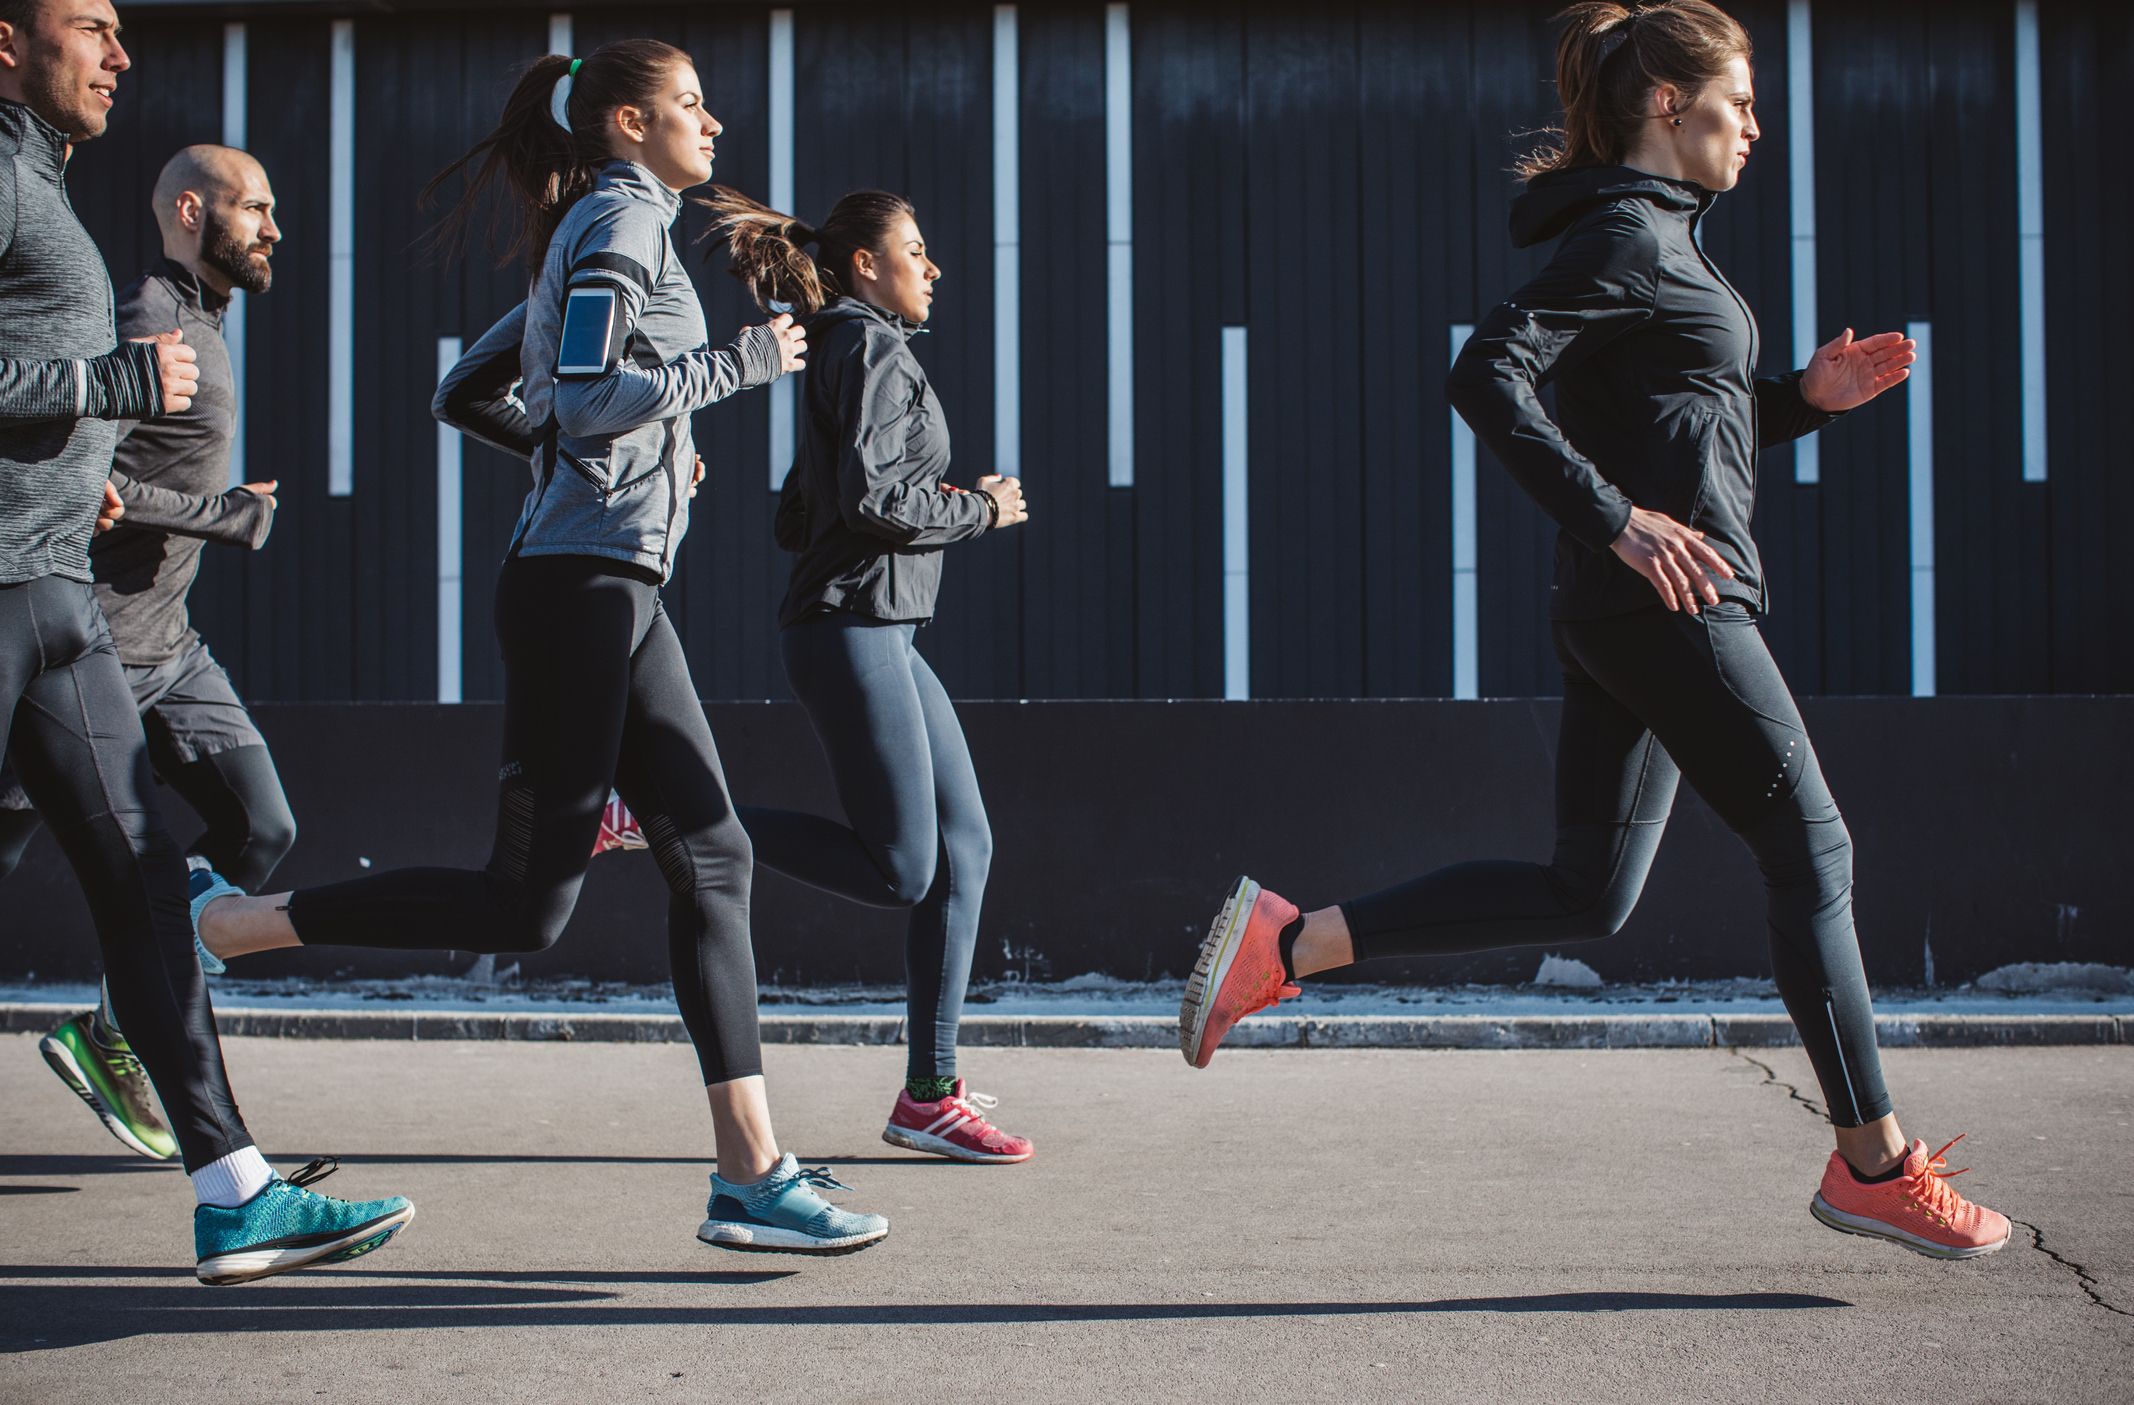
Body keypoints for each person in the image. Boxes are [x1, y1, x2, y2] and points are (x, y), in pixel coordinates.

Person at [1177, 0, 2010, 1262]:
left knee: (1589, 890)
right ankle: (1874, 1163)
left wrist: (1797, 402)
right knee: (1814, 849)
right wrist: (1620, 519)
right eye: (1737, 105)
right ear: (1668, 107)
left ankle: (1286, 943)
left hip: (1627, 610)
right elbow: (1484, 373)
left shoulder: (1655, 238)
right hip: (1668, 602)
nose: (1755, 130)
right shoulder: (1628, 235)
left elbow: (1669, 416)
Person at [187, 39, 890, 1256]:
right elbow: (582, 390)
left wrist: (623, 455)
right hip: (582, 593)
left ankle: (750, 1174)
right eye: (687, 105)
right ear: (626, 124)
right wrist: (731, 370)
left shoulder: (605, 225)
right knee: (527, 906)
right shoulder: (619, 217)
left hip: (603, 582)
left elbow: (470, 390)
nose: (712, 124)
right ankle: (231, 926)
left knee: (711, 854)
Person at [0, 0, 411, 1283]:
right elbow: (74, 409)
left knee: (147, 888)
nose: (122, 55)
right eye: (91, 28)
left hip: (60, 597)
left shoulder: (42, 188)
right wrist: (109, 391)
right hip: (15, 590)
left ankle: (235, 1192)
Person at [704, 185, 1035, 1164]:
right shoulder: (868, 346)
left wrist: (895, 498)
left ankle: (930, 1095)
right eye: (917, 250)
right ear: (865, 264)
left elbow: (798, 514)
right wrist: (979, 508)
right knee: (903, 868)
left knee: (963, 848)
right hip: (854, 626)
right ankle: (674, 817)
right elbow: (878, 502)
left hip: (880, 627)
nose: (932, 268)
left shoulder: (848, 349)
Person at [10, 144, 290, 1164]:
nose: (271, 228)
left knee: (261, 823)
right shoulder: (147, 320)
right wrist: (233, 515)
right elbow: (95, 489)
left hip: (175, 648)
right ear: (189, 209)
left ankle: (115, 1028)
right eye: (254, 208)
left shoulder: (205, 321)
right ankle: (136, 1035)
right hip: (105, 652)